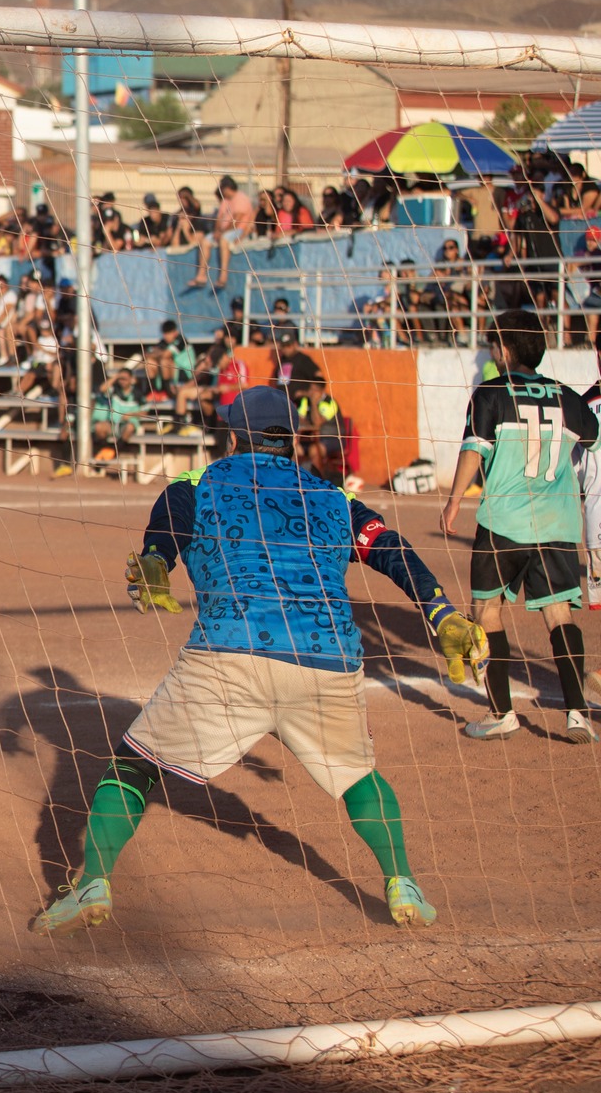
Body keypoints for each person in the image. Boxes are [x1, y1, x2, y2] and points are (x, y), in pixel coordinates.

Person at [33, 387, 482, 936]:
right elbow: (391, 548)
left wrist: (156, 561)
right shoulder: (335, 496)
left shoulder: (197, 484)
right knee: (360, 775)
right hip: (328, 655)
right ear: (290, 437)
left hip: (229, 654)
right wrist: (441, 612)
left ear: (232, 434)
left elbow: (169, 526)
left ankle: (93, 881)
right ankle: (403, 882)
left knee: (134, 767)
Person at [440, 309, 600, 744]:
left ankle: (501, 713)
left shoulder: (490, 393)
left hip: (504, 522)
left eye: (494, 346)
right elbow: (592, 438)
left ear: (505, 350)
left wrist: (454, 502)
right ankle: (577, 714)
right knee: (558, 613)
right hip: (557, 523)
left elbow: (473, 450)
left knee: (485, 611)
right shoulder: (569, 398)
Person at [191, 176, 254, 290]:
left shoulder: (241, 198)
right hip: (223, 231)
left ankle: (223, 275)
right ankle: (201, 275)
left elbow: (237, 220)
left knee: (224, 240)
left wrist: (222, 232)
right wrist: (217, 231)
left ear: (227, 188)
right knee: (205, 241)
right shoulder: (226, 201)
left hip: (238, 230)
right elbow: (219, 218)